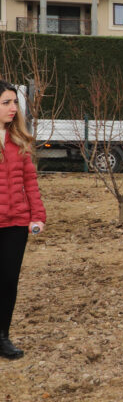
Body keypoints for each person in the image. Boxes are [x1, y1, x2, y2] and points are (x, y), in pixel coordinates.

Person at [0, 81, 45, 361]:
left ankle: (2, 337)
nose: (13, 108)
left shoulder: (20, 141)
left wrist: (37, 215)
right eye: (6, 103)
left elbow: (30, 182)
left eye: (14, 103)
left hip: (16, 224)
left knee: (8, 282)